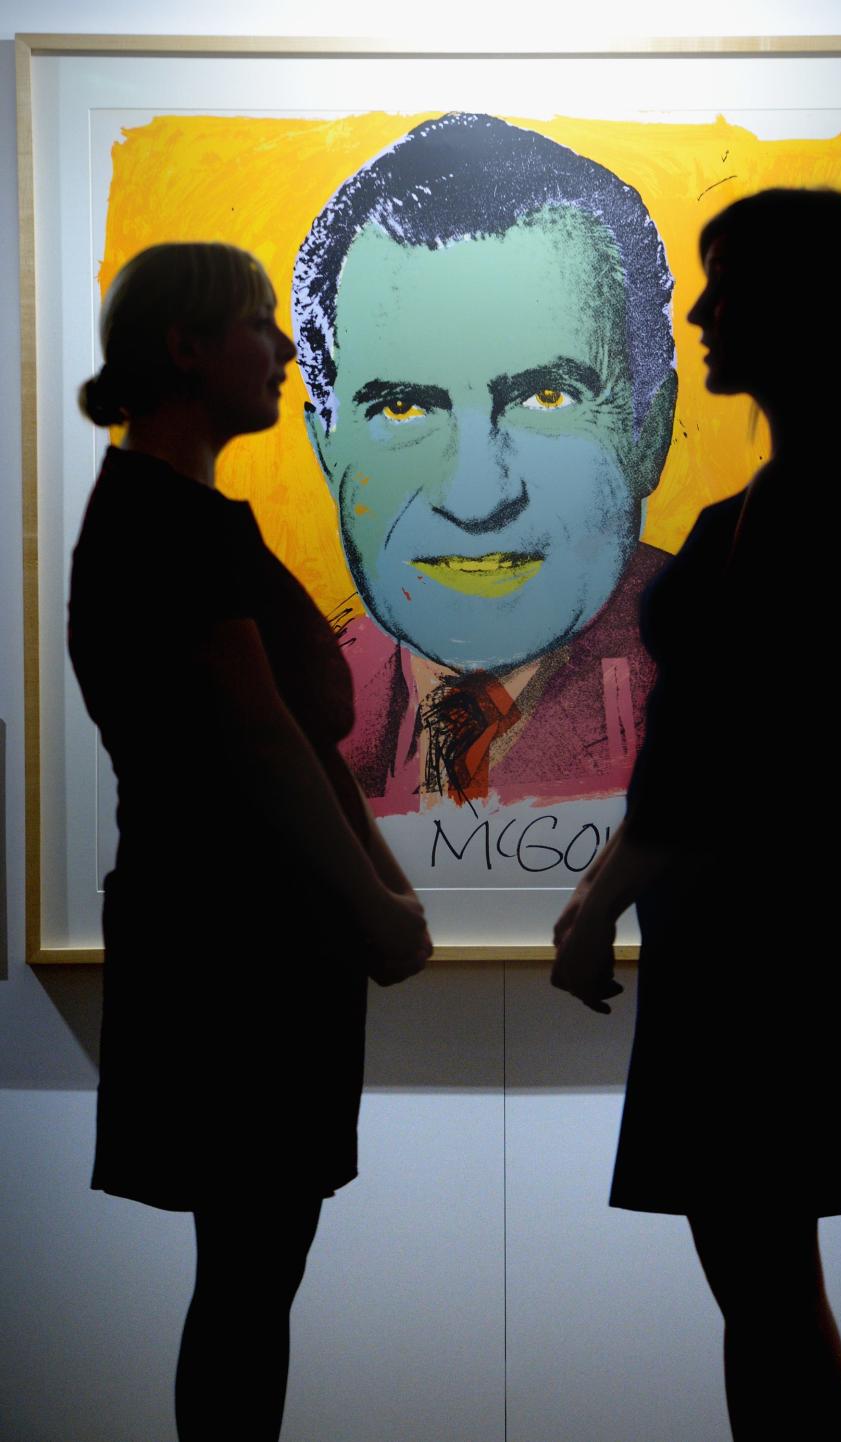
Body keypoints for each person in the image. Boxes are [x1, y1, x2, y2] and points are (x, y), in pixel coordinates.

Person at [551, 188, 841, 1440]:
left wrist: (598, 899)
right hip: (756, 908)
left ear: (797, 307)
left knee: (760, 1277)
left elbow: (724, 746)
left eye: (727, 283)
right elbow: (712, 743)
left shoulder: (825, 488)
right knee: (758, 1277)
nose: (698, 310)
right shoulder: (803, 486)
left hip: (768, 916)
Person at [69, 242, 432, 1442]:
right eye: (258, 322)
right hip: (237, 949)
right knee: (248, 1273)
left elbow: (295, 746)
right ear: (185, 346)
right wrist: (377, 907)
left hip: (246, 937)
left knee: (252, 1271)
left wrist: (382, 892)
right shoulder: (165, 522)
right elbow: (263, 737)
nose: (282, 348)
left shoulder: (179, 516)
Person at [292, 112, 677, 813]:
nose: (476, 495)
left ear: (651, 428)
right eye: (404, 409)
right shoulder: (301, 696)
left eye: (546, 396)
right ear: (327, 449)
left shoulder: (730, 684)